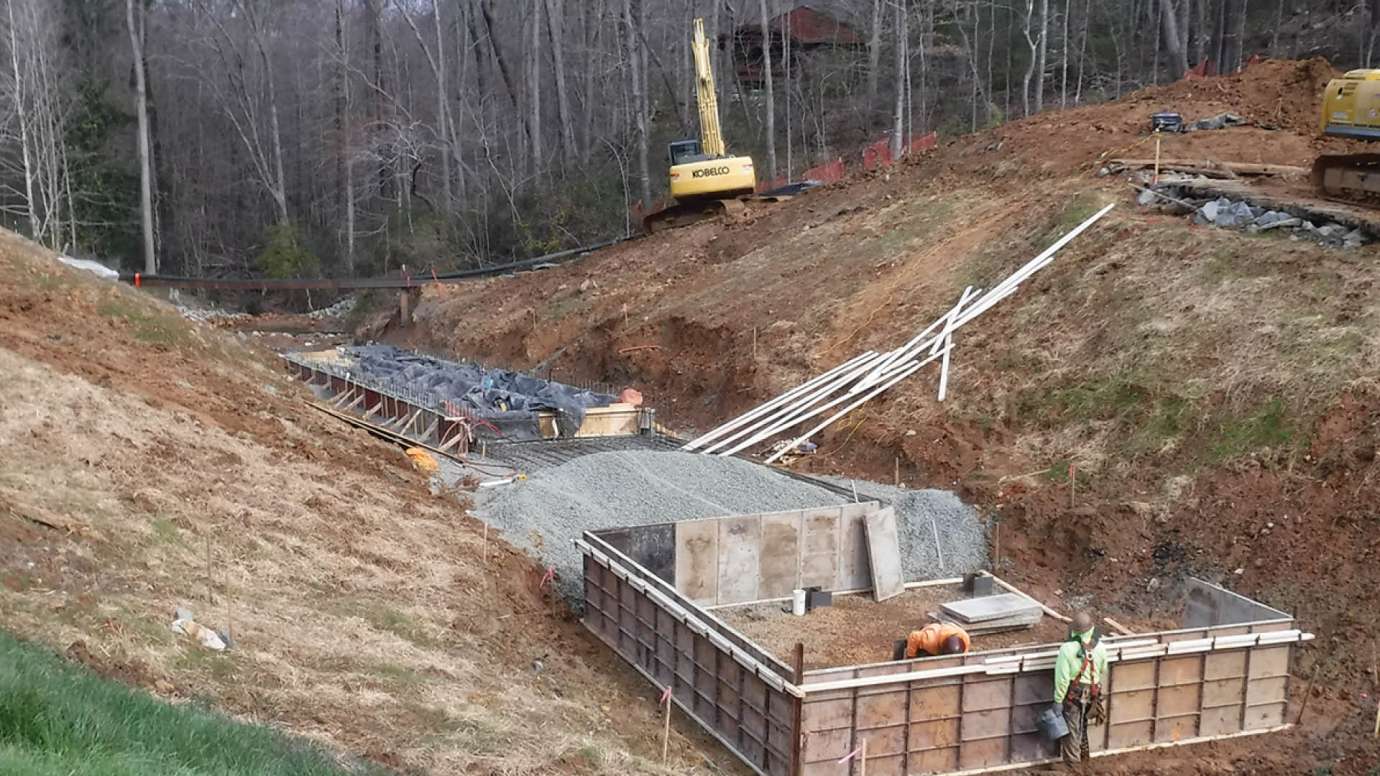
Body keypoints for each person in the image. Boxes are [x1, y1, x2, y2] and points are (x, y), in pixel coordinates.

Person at [1053, 612, 1108, 768]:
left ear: (1074, 630)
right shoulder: (1101, 647)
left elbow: (1062, 679)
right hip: (1092, 694)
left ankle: (1073, 765)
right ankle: (1084, 758)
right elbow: (1103, 669)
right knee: (1082, 726)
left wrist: (1058, 700)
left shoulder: (1067, 649)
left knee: (1071, 729)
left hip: (1074, 694)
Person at [892, 621, 971, 660]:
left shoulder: (965, 640)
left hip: (946, 628)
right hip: (931, 631)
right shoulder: (930, 640)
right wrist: (911, 657)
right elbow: (914, 636)